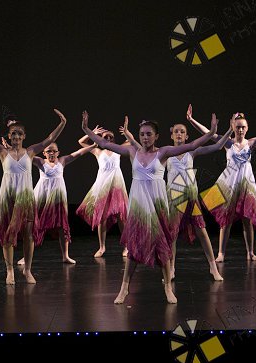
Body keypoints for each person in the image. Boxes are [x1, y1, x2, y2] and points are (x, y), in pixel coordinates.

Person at [82, 111, 217, 305]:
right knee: (133, 249)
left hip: (157, 205)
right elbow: (104, 143)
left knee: (163, 246)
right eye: (142, 134)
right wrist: (86, 129)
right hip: (139, 206)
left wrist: (211, 132)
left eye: (149, 134)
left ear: (156, 136)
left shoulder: (163, 153)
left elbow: (192, 145)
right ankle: (124, 288)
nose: (145, 137)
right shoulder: (132, 152)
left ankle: (168, 287)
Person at [188, 106, 256, 261]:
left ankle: (250, 253)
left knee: (247, 219)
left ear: (247, 128)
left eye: (243, 127)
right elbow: (207, 132)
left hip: (246, 184)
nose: (240, 130)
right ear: (233, 127)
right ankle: (221, 253)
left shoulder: (251, 143)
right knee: (226, 221)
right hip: (229, 184)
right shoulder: (228, 143)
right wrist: (191, 119)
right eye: (238, 127)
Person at [0, 104, 67, 284]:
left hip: (25, 198)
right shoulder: (3, 152)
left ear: (24, 136)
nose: (16, 136)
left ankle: (28, 270)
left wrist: (62, 122)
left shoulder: (30, 151)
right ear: (9, 136)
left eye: (19, 133)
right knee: (7, 234)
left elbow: (50, 138)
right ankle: (9, 270)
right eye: (13, 134)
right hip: (8, 197)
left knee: (28, 234)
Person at [164, 117, 233, 281]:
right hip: (174, 198)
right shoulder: (166, 153)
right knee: (172, 234)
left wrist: (230, 130)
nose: (179, 134)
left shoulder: (191, 152)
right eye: (176, 132)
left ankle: (213, 268)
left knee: (201, 231)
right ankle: (171, 268)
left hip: (190, 197)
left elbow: (217, 146)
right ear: (171, 136)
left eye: (182, 132)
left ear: (187, 136)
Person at [14, 141, 94, 265]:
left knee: (62, 226)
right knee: (33, 226)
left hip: (58, 198)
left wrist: (93, 146)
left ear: (58, 153)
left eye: (54, 151)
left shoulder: (62, 161)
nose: (51, 153)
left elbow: (78, 153)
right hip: (42, 197)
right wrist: (12, 148)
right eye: (49, 151)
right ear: (44, 153)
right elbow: (24, 155)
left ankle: (65, 256)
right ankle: (26, 257)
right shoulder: (40, 161)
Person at [75, 126, 129, 258]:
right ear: (101, 139)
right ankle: (102, 247)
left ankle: (126, 247)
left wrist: (126, 133)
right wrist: (92, 133)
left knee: (121, 216)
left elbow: (132, 142)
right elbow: (81, 142)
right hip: (103, 186)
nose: (108, 138)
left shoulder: (118, 150)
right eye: (105, 137)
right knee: (102, 217)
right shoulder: (98, 151)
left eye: (111, 137)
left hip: (116, 185)